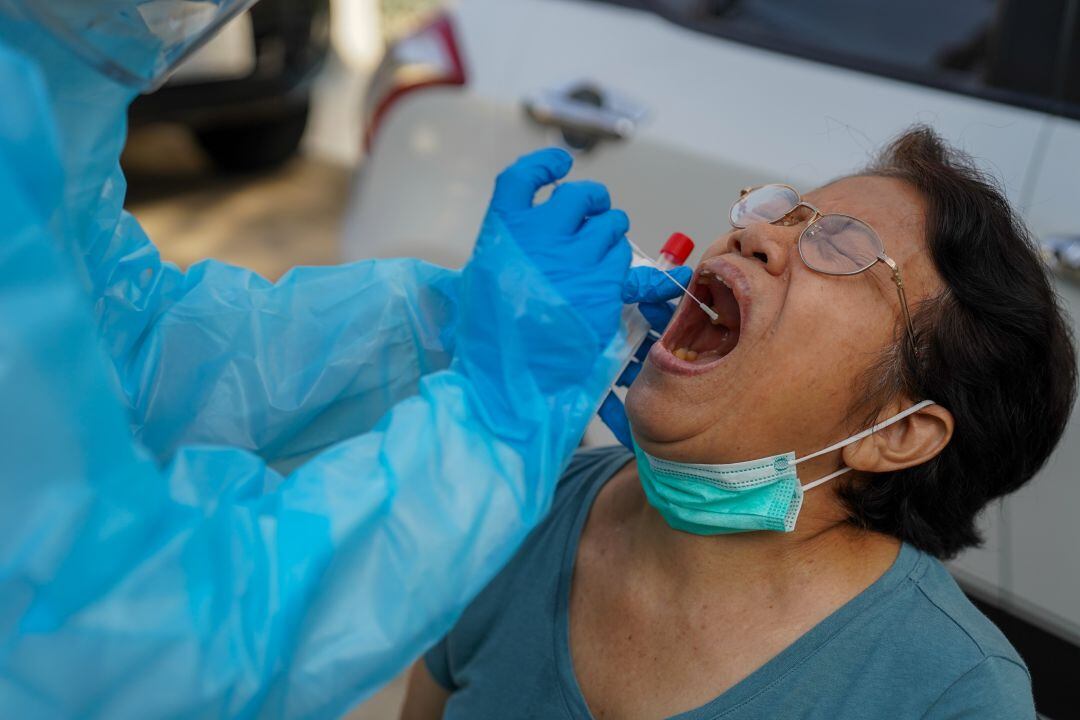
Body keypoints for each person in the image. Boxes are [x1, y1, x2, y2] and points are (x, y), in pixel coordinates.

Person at [0, 1, 688, 717]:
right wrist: (499, 411)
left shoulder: (37, 97)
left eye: (817, 233)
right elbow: (142, 654)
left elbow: (135, 349)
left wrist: (448, 323)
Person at [400, 127, 1078, 719]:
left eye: (840, 246)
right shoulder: (524, 502)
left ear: (895, 432)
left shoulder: (948, 694)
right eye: (785, 212)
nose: (756, 235)